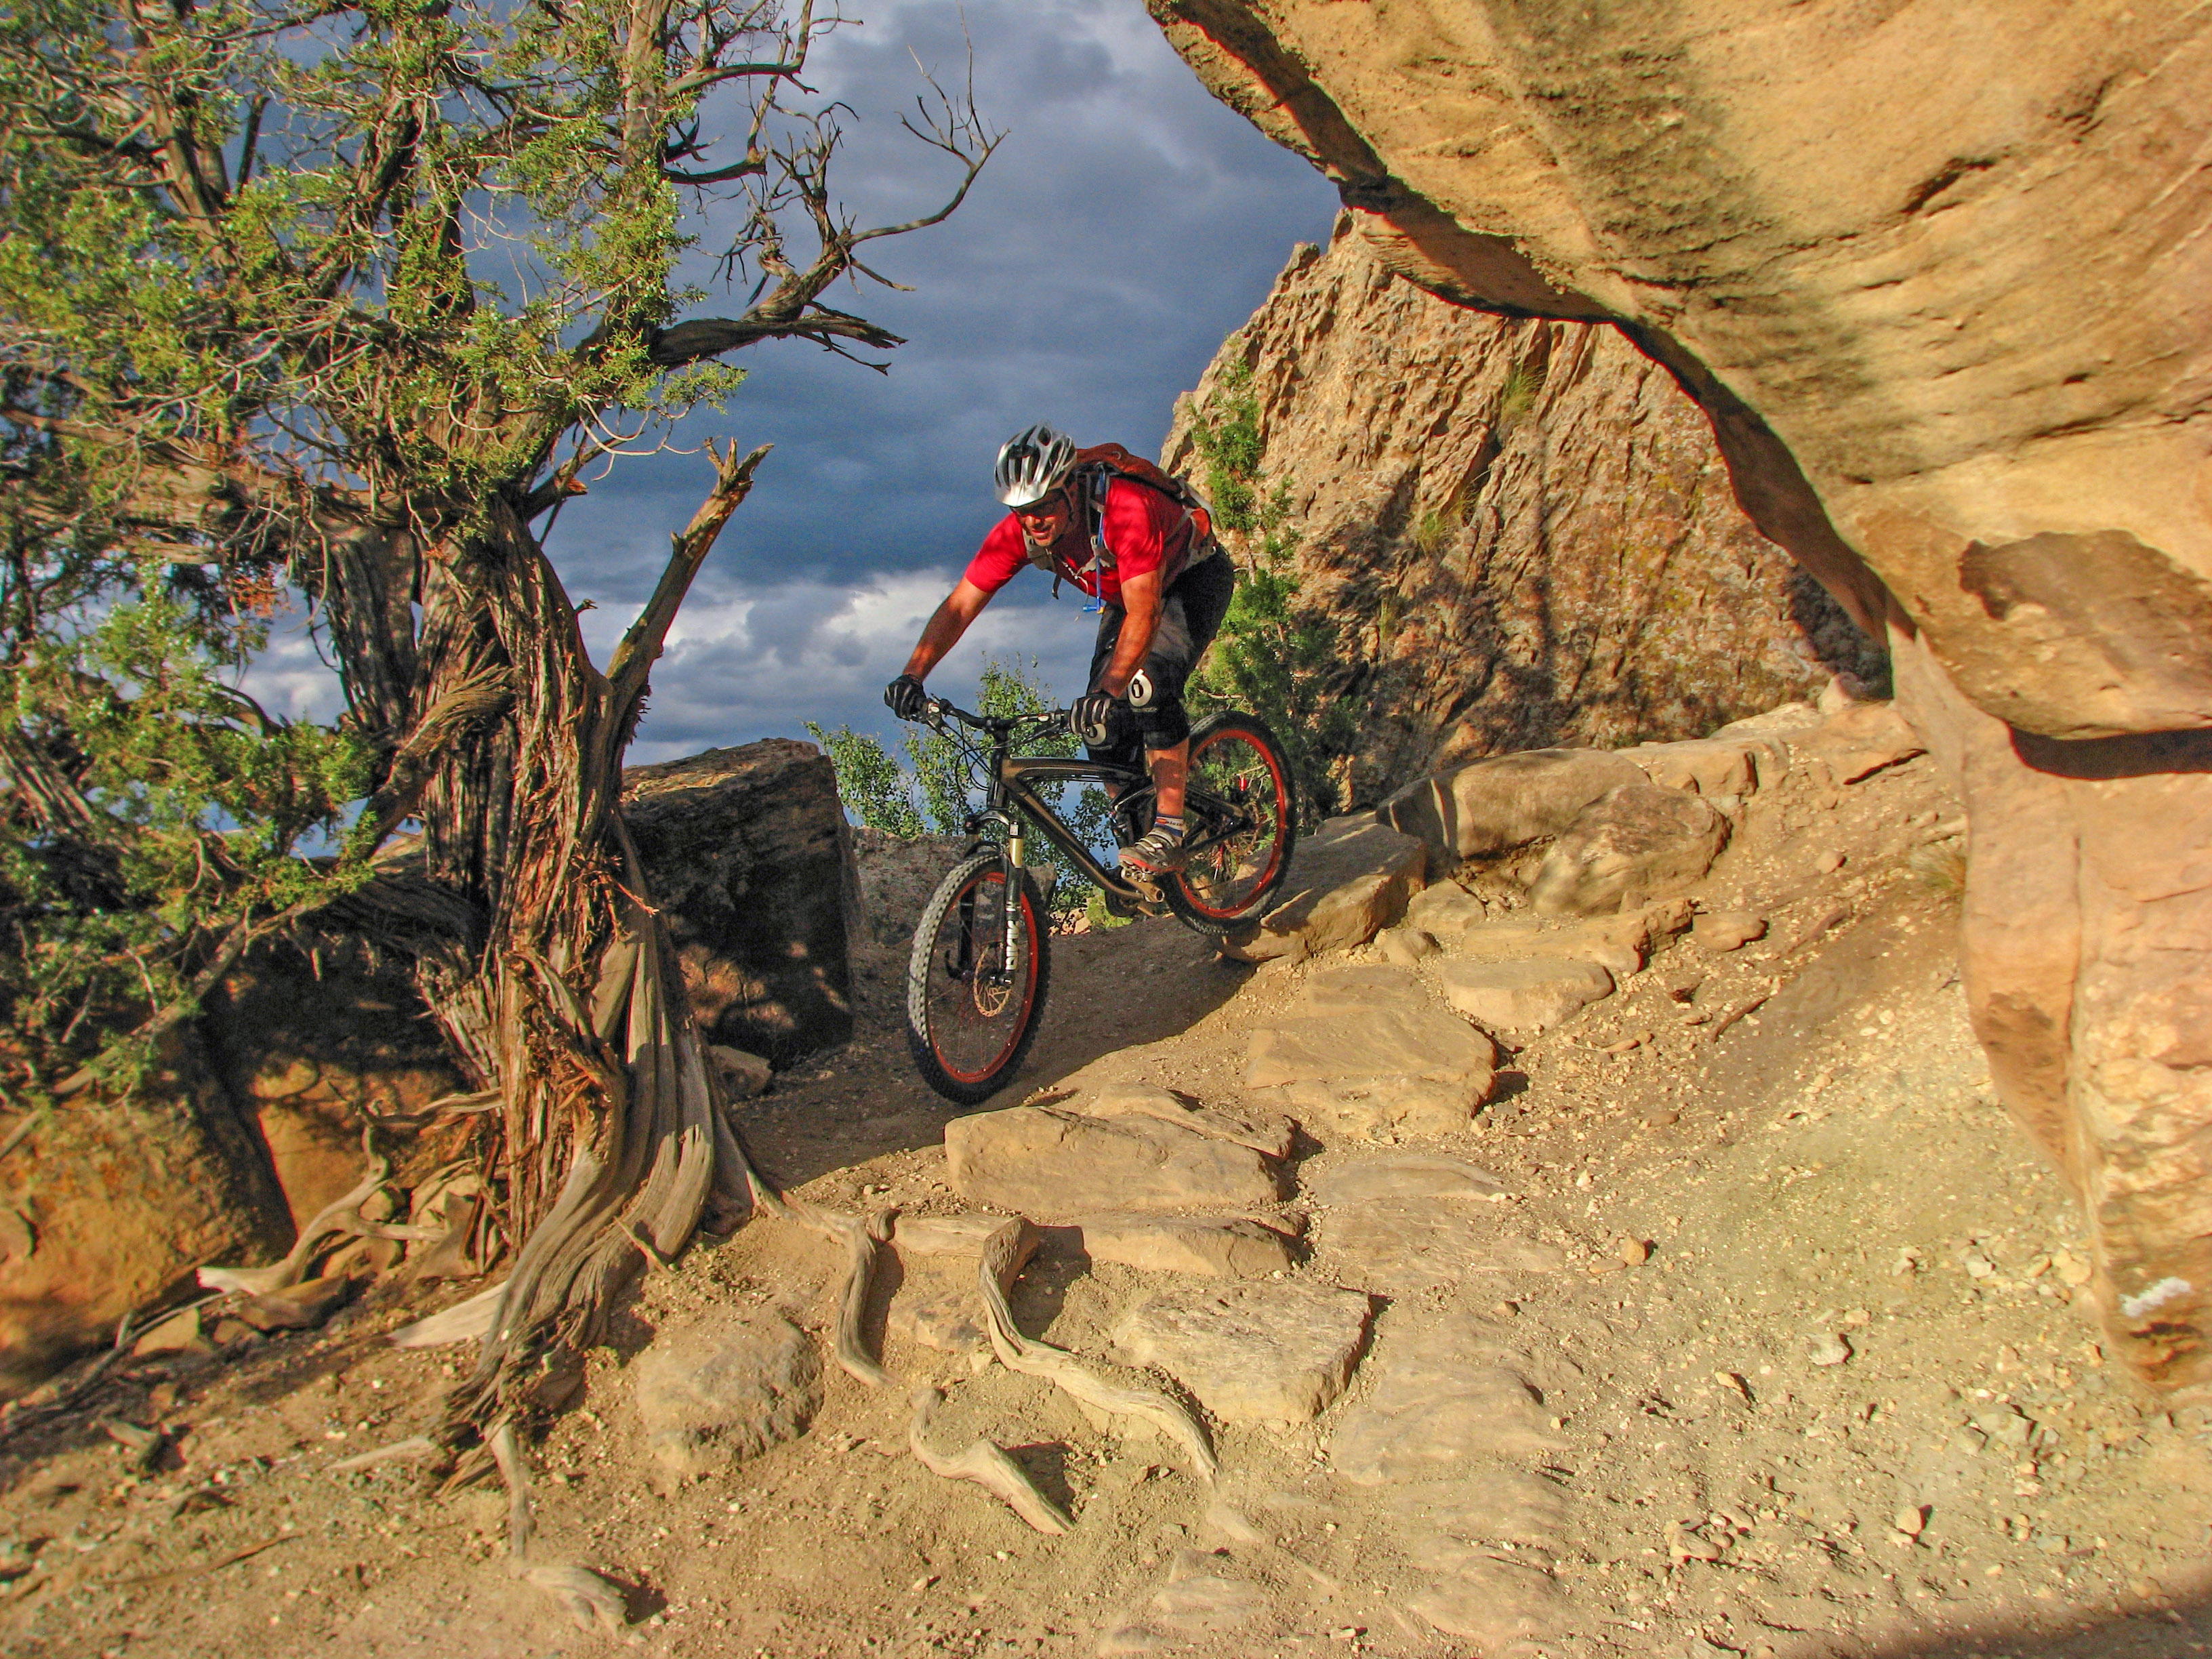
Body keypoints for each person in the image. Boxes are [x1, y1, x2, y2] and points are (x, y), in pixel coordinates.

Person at [883, 424, 1235, 876]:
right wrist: (913, 675)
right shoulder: (1020, 533)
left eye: (1044, 504)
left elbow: (1145, 613)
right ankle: (1135, 851)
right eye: (1021, 510)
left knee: (1144, 687)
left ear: (1072, 485)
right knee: (1098, 727)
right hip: (1126, 597)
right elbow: (959, 606)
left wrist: (1110, 689)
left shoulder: (1125, 507)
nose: (1033, 520)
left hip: (1191, 579)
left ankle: (1168, 828)